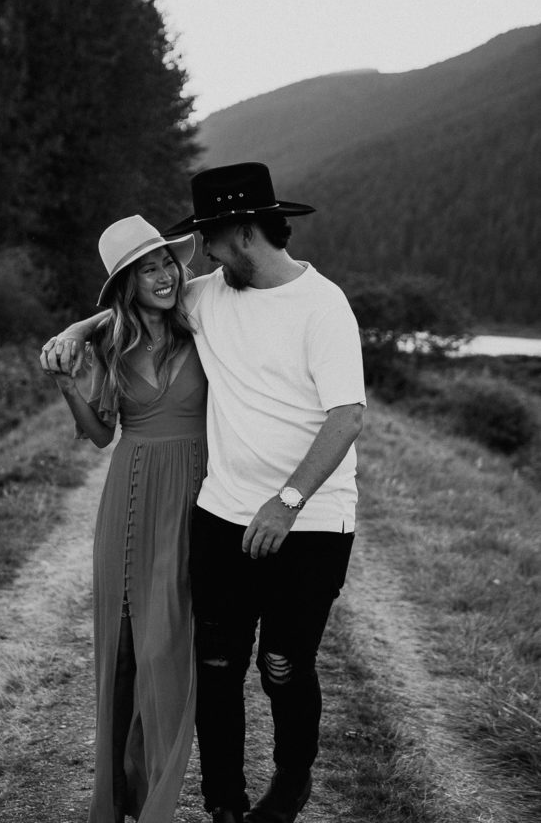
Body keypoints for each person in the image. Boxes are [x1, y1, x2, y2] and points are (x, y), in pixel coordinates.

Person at [44, 162, 366, 823]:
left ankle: (291, 778)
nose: (198, 264)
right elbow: (127, 309)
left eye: (208, 244)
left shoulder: (322, 305)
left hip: (309, 520)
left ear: (242, 233)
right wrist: (76, 332)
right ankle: (224, 803)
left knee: (281, 664)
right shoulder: (208, 294)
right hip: (220, 515)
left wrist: (288, 500)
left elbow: (346, 416)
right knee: (217, 665)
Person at [41, 214, 207, 823]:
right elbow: (101, 435)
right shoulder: (113, 345)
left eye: (166, 262)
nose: (163, 276)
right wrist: (68, 386)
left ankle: (160, 796)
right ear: (126, 286)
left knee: (170, 650)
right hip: (128, 499)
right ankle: (117, 799)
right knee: (124, 650)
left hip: (193, 498)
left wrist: (76, 324)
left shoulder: (204, 324)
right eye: (146, 270)